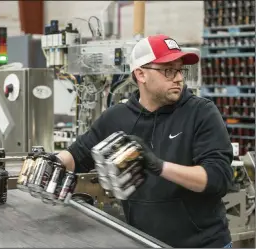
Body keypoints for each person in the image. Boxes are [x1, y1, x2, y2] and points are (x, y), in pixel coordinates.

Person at [53, 34, 234, 248]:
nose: (178, 78)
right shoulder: (116, 117)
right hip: (144, 243)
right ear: (141, 74)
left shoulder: (201, 113)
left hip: (204, 244)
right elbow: (78, 154)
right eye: (168, 70)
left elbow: (218, 178)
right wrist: (51, 160)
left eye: (180, 70)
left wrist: (159, 166)